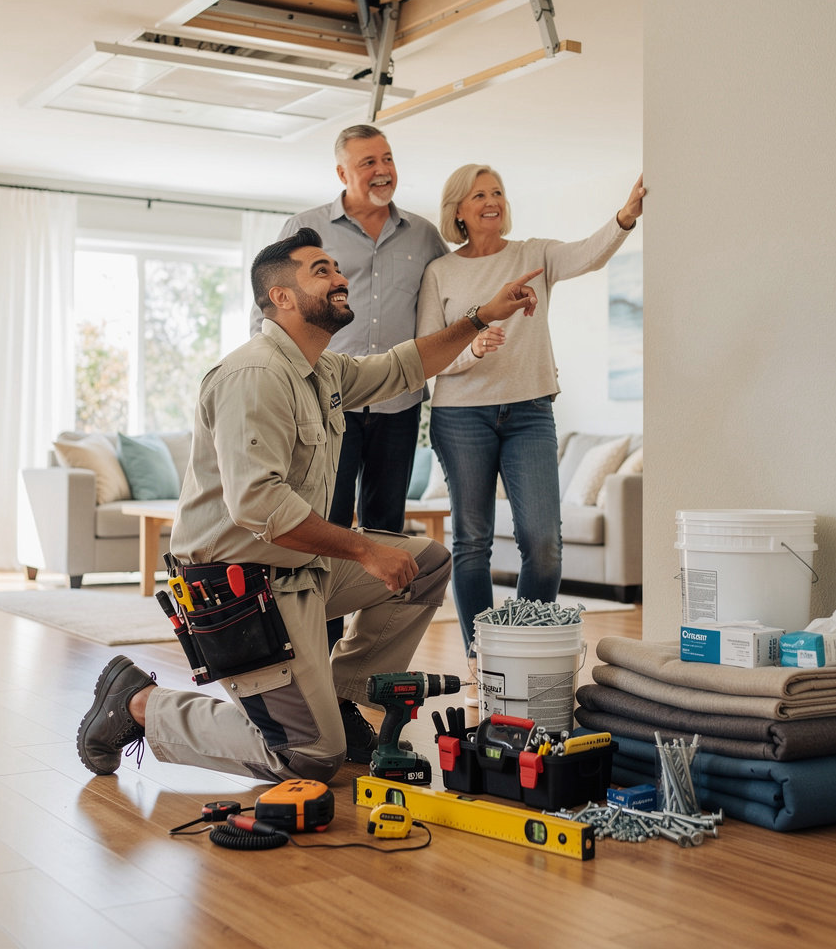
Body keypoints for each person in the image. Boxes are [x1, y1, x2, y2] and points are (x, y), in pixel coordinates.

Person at [77, 227, 542, 784]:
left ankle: (342, 703)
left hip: (299, 572)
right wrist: (366, 551)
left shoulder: (323, 371)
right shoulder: (256, 374)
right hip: (237, 590)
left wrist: (479, 317)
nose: (341, 277)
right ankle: (138, 703)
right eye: (321, 270)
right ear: (282, 297)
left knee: (425, 565)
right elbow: (258, 503)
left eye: (337, 268)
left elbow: (403, 366)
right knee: (305, 759)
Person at [416, 167, 646, 674]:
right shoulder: (441, 274)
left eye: (497, 192)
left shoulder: (533, 255)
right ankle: (482, 658)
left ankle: (524, 649)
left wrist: (626, 217)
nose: (492, 200)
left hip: (530, 411)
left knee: (542, 541)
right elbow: (429, 355)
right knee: (471, 540)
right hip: (460, 416)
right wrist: (472, 347)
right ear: (458, 209)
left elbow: (589, 252)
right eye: (479, 194)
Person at [251, 123, 447, 650]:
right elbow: (271, 307)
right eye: (367, 162)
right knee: (331, 526)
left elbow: (447, 298)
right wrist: (270, 373)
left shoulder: (425, 234)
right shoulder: (308, 227)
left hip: (397, 400)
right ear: (342, 172)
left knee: (386, 525)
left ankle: (367, 658)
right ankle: (319, 648)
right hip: (328, 398)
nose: (382, 170)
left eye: (387, 158)